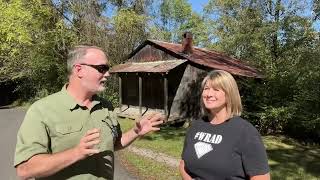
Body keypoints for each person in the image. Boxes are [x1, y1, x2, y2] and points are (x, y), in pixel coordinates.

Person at [14, 45, 164, 180]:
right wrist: (76, 153)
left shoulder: (106, 106)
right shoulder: (42, 110)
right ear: (79, 70)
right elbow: (25, 169)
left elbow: (114, 144)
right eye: (101, 68)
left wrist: (136, 132)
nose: (108, 74)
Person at [179, 70, 270, 180]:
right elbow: (183, 164)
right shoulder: (196, 126)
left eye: (216, 89)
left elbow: (261, 177)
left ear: (229, 94)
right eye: (206, 88)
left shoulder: (245, 132)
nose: (208, 94)